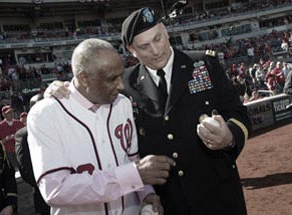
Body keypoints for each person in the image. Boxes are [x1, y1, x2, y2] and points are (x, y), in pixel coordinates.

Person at [46, 7, 251, 215]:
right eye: (144, 46)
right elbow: (88, 91)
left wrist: (230, 138)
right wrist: (63, 90)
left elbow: (238, 114)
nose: (155, 50)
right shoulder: (122, 83)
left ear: (166, 31)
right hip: (167, 201)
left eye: (158, 38)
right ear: (131, 50)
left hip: (217, 193)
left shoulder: (204, 64)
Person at [27, 38, 175, 215]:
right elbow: (55, 190)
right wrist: (132, 176)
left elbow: (131, 160)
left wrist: (146, 193)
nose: (121, 85)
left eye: (121, 76)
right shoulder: (45, 114)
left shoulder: (123, 104)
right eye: (112, 79)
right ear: (83, 78)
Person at [15, 93, 50, 215]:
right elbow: (25, 170)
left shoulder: (60, 128)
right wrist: (47, 184)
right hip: (43, 194)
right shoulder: (24, 135)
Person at [0, 105, 25, 171]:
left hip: (20, 150)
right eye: (8, 113)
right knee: (15, 170)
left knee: (24, 169)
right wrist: (6, 139)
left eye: (12, 112)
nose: (11, 114)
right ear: (3, 114)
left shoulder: (19, 123)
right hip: (9, 153)